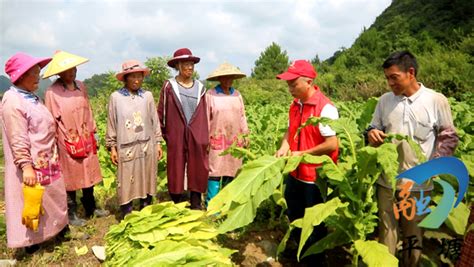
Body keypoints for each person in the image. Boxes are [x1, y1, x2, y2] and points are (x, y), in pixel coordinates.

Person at [366, 51, 459, 266]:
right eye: (387, 78)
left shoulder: (436, 100)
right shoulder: (384, 101)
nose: (390, 83)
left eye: (394, 77)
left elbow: (449, 137)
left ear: (411, 73)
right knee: (386, 234)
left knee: (413, 236)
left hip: (418, 185)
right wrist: (372, 133)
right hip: (386, 182)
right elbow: (373, 127)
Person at [1, 52, 68, 252]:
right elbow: (17, 137)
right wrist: (26, 166)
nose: (38, 77)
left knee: (53, 197)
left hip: (47, 160)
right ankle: (33, 244)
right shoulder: (13, 101)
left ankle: (56, 233)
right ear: (21, 76)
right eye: (34, 73)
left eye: (39, 72)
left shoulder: (31, 97)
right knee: (34, 202)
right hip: (32, 164)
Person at [275, 60, 339, 263]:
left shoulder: (325, 108)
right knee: (294, 215)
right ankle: (300, 253)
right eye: (288, 84)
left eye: (294, 84)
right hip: (295, 173)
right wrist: (284, 146)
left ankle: (315, 260)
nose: (290, 89)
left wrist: (302, 153)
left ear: (309, 82)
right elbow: (289, 130)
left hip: (315, 177)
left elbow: (332, 144)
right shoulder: (295, 105)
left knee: (314, 225)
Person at [43, 51, 109, 227]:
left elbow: (88, 108)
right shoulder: (52, 92)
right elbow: (51, 120)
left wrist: (93, 132)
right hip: (67, 140)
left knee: (89, 173)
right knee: (70, 177)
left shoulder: (81, 86)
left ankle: (91, 207)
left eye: (73, 68)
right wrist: (54, 146)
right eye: (67, 69)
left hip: (85, 136)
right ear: (59, 73)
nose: (71, 72)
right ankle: (71, 213)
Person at [105, 60, 163, 218]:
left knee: (148, 176)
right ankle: (127, 214)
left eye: (140, 76)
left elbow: (154, 120)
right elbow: (112, 122)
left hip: (147, 144)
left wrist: (158, 143)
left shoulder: (147, 96)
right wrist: (112, 147)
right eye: (133, 77)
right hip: (126, 146)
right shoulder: (116, 98)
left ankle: (146, 209)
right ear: (125, 78)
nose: (137, 80)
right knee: (127, 180)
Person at [157, 48, 209, 210]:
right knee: (176, 165)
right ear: (178, 66)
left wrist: (203, 136)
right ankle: (177, 202)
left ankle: (195, 202)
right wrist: (164, 135)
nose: (189, 67)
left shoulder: (200, 88)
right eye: (185, 64)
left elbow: (203, 114)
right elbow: (162, 112)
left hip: (196, 133)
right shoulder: (169, 86)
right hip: (176, 133)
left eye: (191, 64)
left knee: (197, 165)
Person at [204, 62, 249, 206]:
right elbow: (205, 118)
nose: (228, 80)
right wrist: (205, 140)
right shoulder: (211, 95)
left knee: (232, 170)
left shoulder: (237, 95)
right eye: (225, 77)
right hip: (217, 138)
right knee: (215, 171)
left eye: (231, 77)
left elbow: (242, 116)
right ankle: (213, 206)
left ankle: (227, 205)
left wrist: (246, 135)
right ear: (220, 79)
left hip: (235, 139)